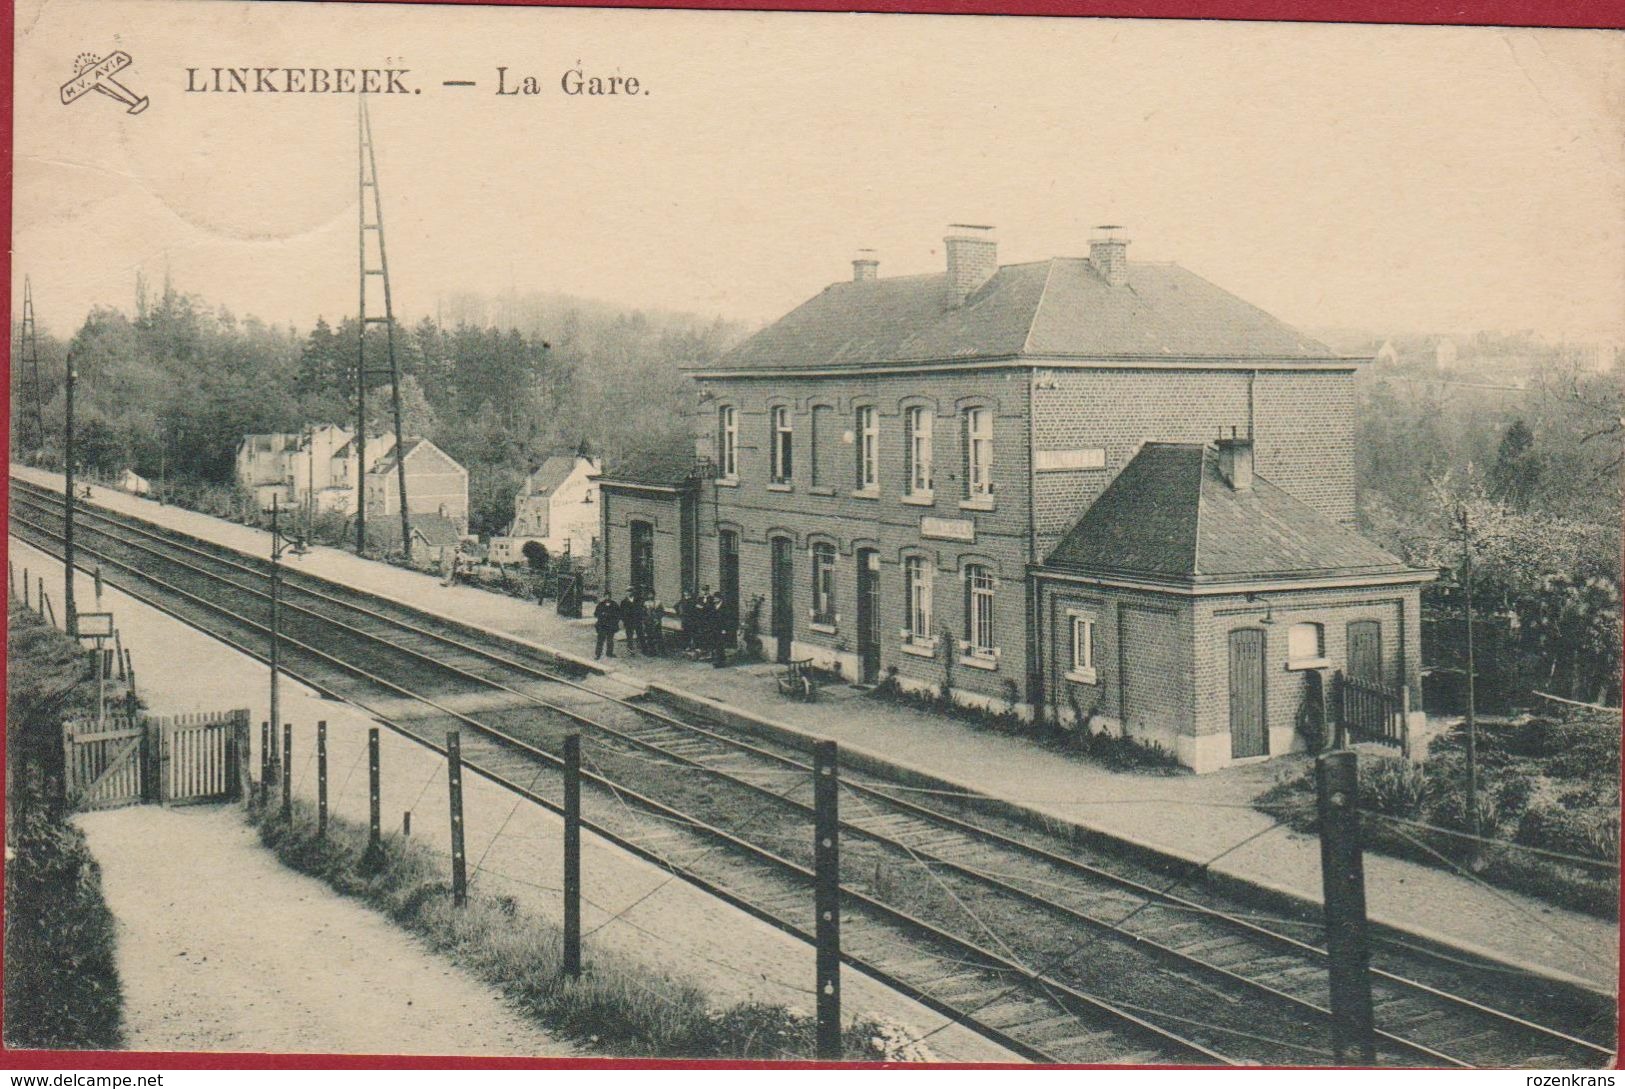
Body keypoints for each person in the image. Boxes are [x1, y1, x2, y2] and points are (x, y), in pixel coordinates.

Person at [593, 595, 621, 659]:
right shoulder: (600, 604)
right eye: (606, 596)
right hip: (602, 625)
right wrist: (601, 614)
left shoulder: (614, 604)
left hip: (611, 626)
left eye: (608, 596)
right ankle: (598, 654)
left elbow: (618, 614)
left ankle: (609, 653)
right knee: (600, 640)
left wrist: (614, 620)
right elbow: (596, 614)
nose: (607, 598)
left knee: (610, 640)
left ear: (610, 597)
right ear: (604, 597)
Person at [620, 589, 643, 656]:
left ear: (632, 592)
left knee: (640, 633)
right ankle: (630, 649)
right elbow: (621, 612)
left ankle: (641, 647)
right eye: (627, 591)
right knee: (629, 635)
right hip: (628, 621)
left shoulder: (637, 600)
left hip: (637, 620)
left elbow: (640, 610)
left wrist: (640, 618)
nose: (628, 593)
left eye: (630, 591)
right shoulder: (624, 602)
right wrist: (624, 620)